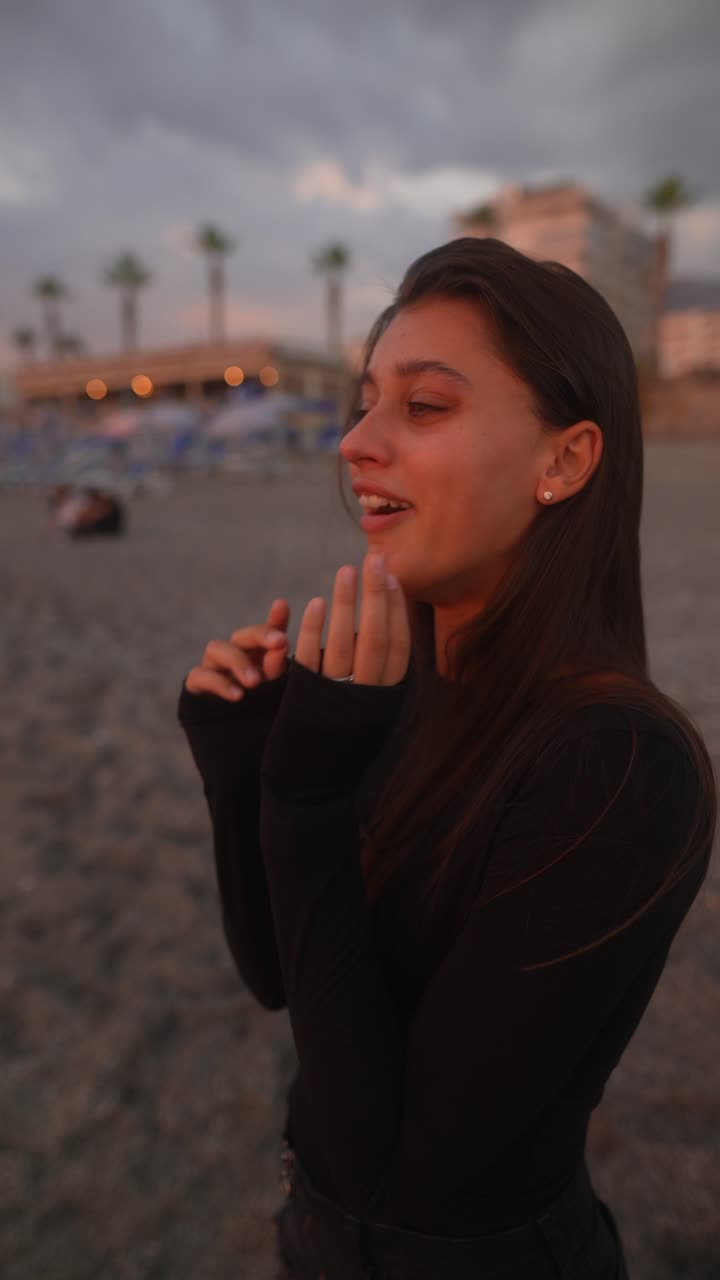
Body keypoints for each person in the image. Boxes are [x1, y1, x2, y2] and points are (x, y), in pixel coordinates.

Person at [177, 238, 717, 1279]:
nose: (356, 442)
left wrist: (305, 788)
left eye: (424, 407)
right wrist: (241, 763)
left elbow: (400, 1169)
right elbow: (277, 975)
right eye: (364, 400)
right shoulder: (391, 688)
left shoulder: (617, 769)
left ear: (565, 460)